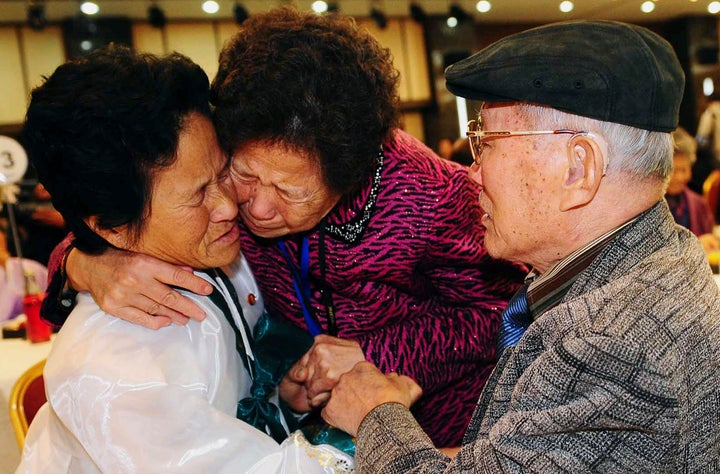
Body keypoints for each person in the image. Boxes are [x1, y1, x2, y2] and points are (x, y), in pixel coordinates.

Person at [41, 8, 525, 447]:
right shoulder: (220, 182)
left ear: (349, 178)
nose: (254, 209)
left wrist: (374, 353)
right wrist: (84, 264)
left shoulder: (429, 196)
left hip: (438, 431)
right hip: (299, 427)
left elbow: (505, 312)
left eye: (291, 193)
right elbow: (122, 207)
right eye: (244, 174)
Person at [321, 20, 720, 471]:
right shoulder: (663, 255)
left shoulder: (610, 343)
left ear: (578, 169)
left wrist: (377, 413)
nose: (472, 172)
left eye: (485, 142)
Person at [17, 46, 352, 473]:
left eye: (223, 171)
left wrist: (281, 401)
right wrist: (387, 436)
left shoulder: (217, 248)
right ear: (111, 228)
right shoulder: (113, 373)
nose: (230, 206)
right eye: (197, 195)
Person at [665, 126, 718, 252]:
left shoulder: (699, 205)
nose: (679, 177)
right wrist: (695, 247)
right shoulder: (647, 207)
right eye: (674, 170)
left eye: (684, 169)